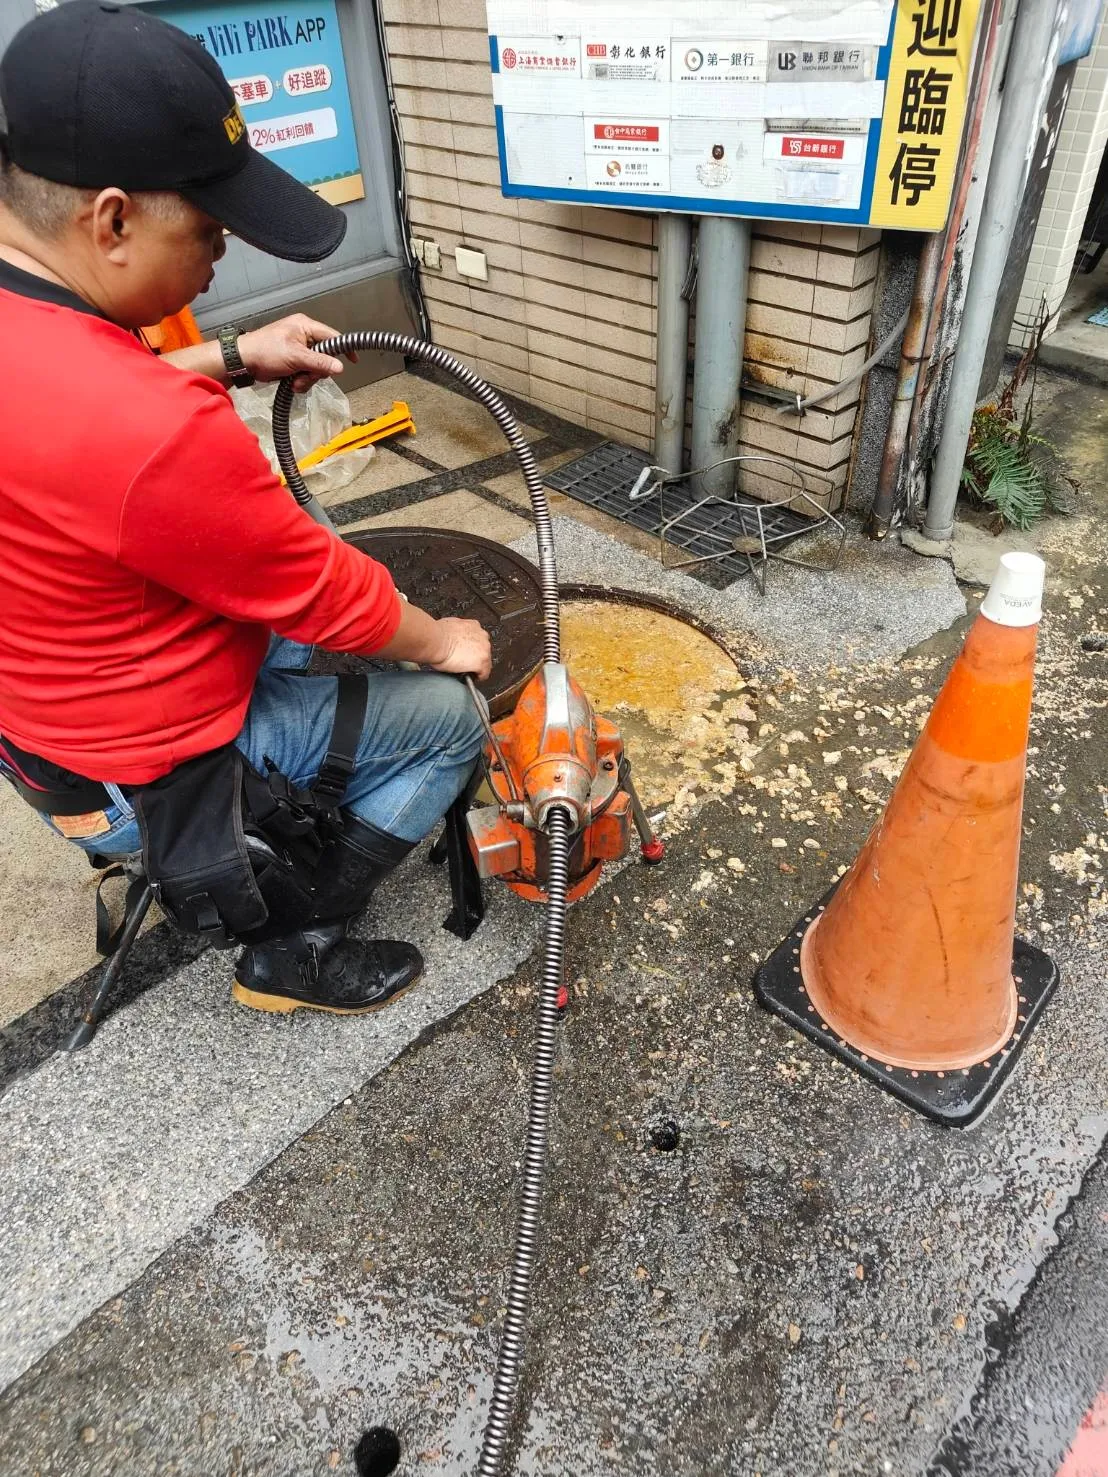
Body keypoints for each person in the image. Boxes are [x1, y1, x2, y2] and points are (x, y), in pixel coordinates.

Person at [0, 2, 492, 1016]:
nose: (220, 259)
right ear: (112, 218)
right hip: (151, 771)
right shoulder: (151, 430)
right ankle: (288, 938)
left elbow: (60, 419)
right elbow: (322, 590)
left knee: (310, 654)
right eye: (212, 232)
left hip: (45, 738)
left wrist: (228, 353)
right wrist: (445, 641)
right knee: (448, 716)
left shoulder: (32, 317)